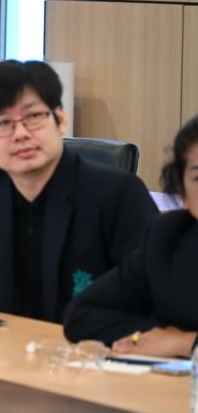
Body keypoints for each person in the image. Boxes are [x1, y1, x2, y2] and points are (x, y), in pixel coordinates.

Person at [0, 60, 158, 322]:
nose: (20, 134)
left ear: (60, 120)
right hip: (1, 345)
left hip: (94, 344)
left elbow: (150, 301)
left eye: (33, 117)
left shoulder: (119, 195)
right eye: (2, 123)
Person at [64, 115, 198, 354]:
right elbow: (82, 315)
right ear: (182, 188)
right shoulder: (167, 236)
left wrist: (185, 343)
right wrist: (159, 337)